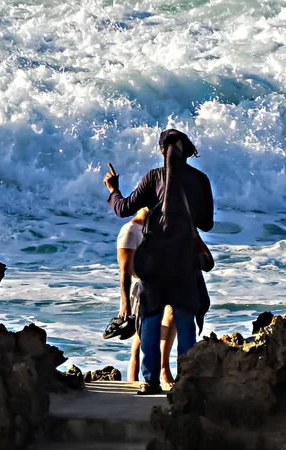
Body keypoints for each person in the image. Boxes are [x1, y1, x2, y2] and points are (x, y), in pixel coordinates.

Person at [104, 129, 214, 395]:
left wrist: (113, 190)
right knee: (185, 320)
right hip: (185, 263)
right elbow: (207, 224)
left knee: (151, 320)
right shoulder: (200, 180)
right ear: (187, 151)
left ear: (162, 151)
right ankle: (188, 379)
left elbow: (123, 209)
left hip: (154, 263)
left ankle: (149, 380)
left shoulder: (154, 177)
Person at [116, 207, 177, 386]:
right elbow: (125, 271)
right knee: (138, 343)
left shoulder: (158, 226)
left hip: (163, 283)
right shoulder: (129, 230)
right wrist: (125, 304)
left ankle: (164, 368)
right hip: (141, 288)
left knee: (171, 315)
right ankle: (132, 381)